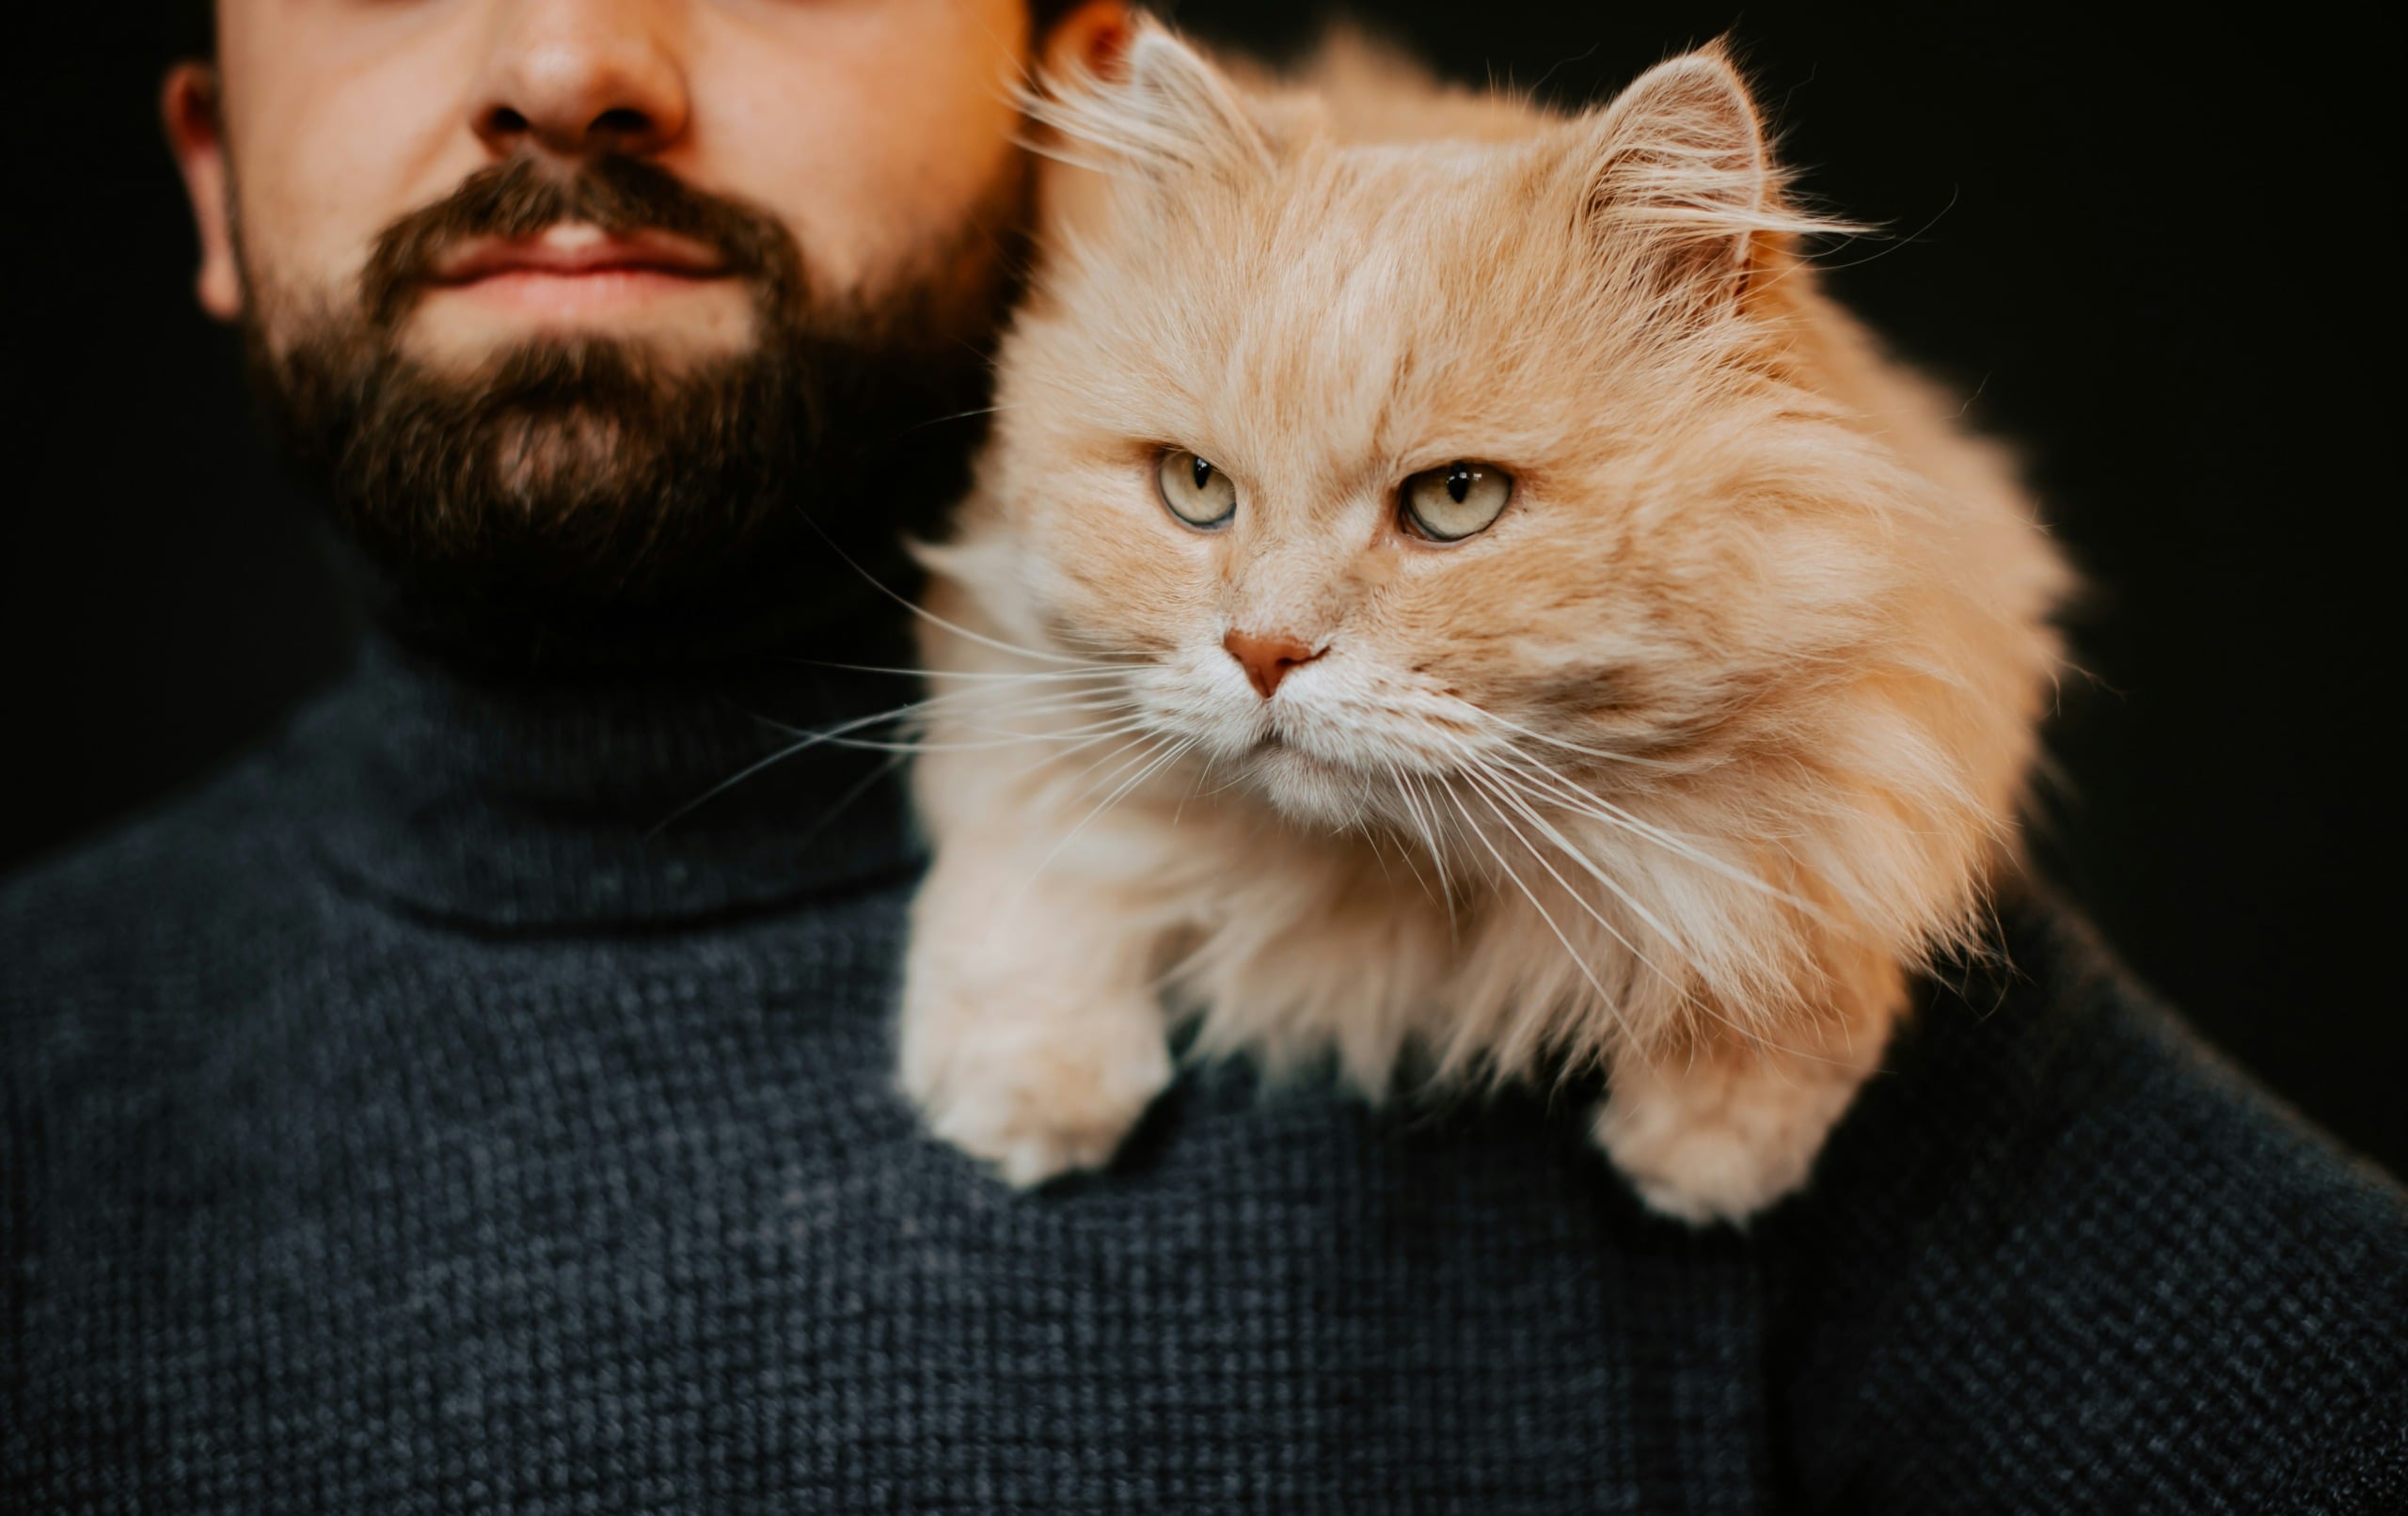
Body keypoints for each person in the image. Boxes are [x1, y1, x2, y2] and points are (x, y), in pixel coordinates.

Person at [3, 1, 2400, 1509]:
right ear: (208, 173)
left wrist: (1826, 901)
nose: (568, 48)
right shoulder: (43, 1075)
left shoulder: (1871, 1075)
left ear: (1065, 126)